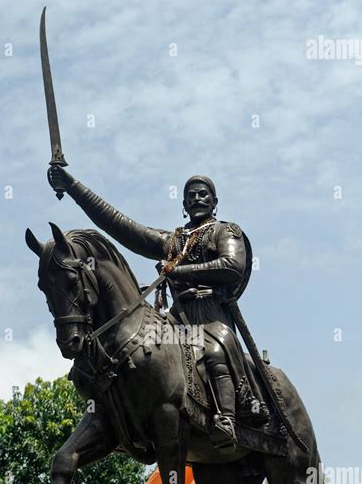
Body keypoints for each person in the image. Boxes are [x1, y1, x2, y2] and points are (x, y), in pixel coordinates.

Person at [48, 167, 269, 450]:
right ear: (184, 205)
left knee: (214, 350)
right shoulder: (174, 241)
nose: (197, 198)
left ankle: (227, 419)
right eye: (191, 195)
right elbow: (119, 225)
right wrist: (72, 187)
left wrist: (178, 270)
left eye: (204, 194)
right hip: (178, 318)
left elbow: (231, 267)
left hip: (211, 313)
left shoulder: (225, 231)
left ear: (215, 202)